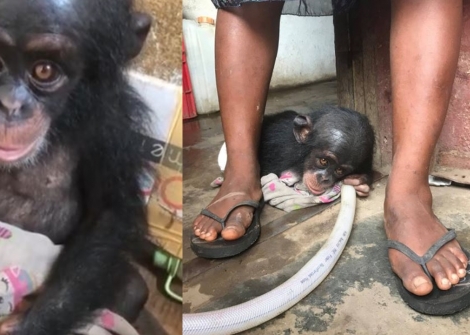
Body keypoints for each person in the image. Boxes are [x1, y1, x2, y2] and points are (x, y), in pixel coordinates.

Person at [192, 0, 470, 314]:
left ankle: (409, 197)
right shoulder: (290, 141)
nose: (325, 180)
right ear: (303, 134)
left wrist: (350, 173)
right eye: (324, 164)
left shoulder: (326, 156)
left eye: (337, 173)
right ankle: (239, 171)